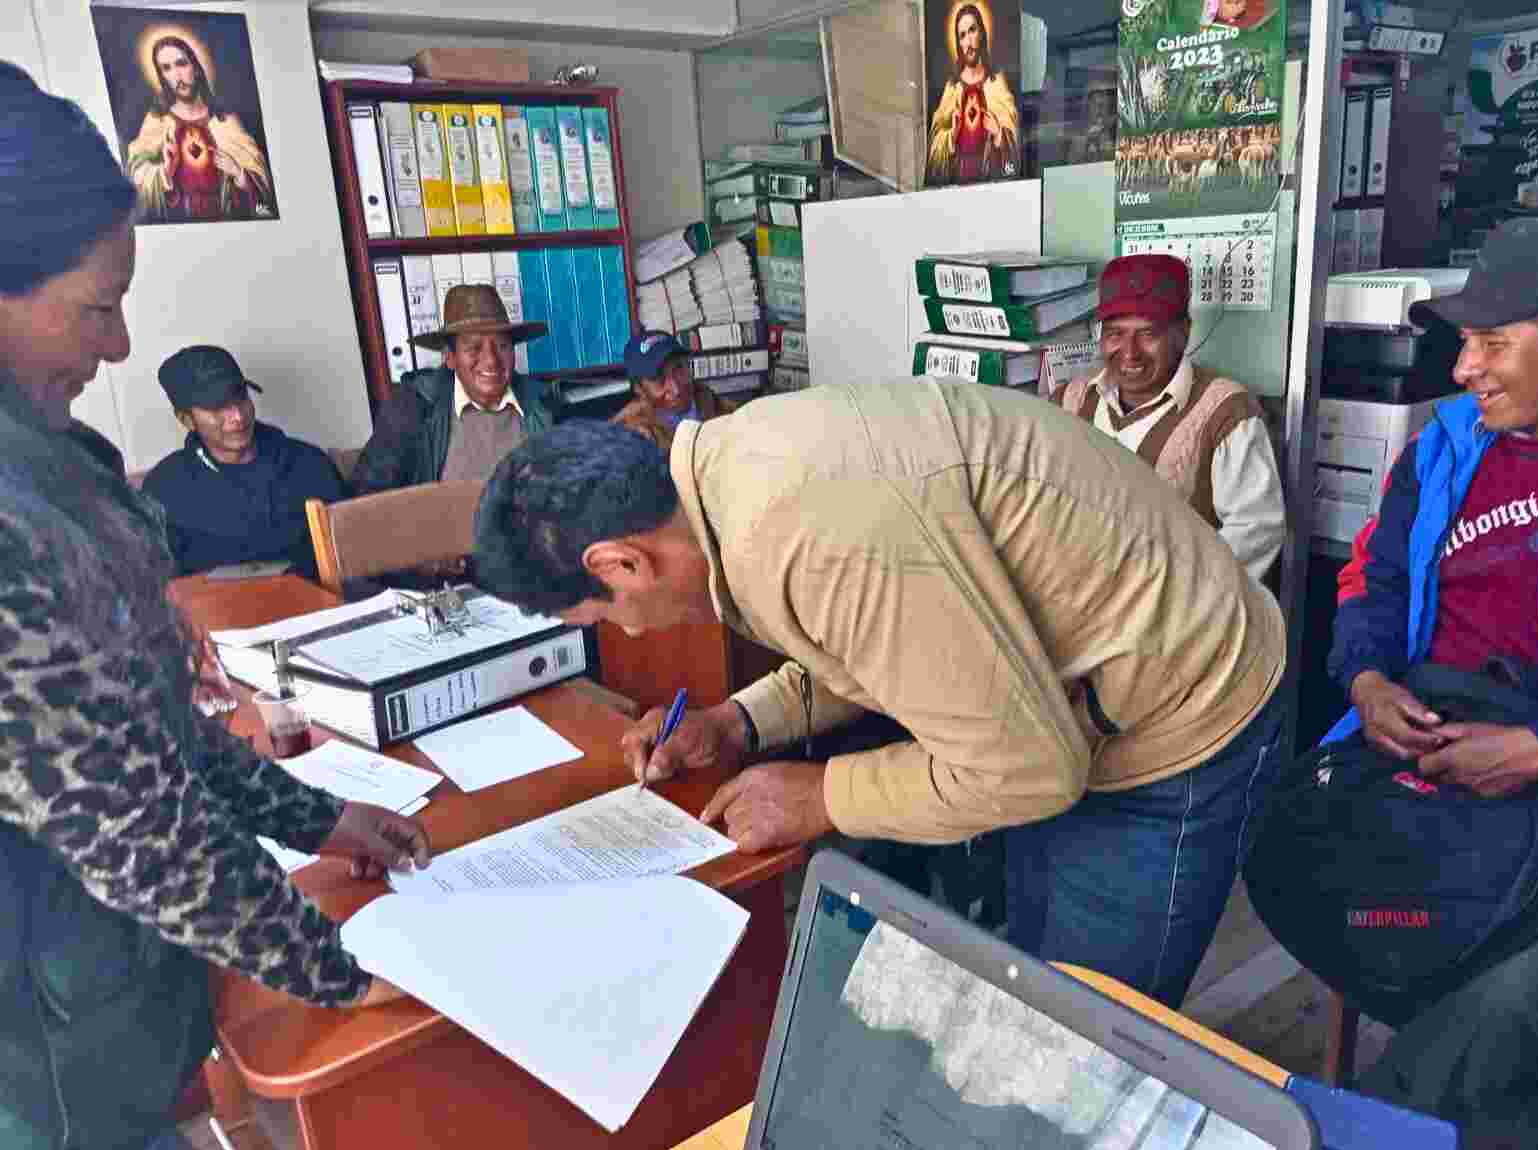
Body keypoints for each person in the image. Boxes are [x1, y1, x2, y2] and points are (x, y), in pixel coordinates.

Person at [473, 380, 1287, 1008]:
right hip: (1075, 696)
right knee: (1044, 987)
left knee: (1096, 1050)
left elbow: (1029, 771)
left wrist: (823, 795)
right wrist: (737, 723)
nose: (632, 634)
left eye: (603, 617)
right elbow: (875, 644)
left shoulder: (809, 532)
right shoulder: (731, 475)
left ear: (617, 563)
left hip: (1181, 715)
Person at [0, 61, 429, 1150]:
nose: (121, 347)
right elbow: (139, 831)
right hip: (44, 1102)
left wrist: (320, 815)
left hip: (117, 1029)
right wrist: (349, 973)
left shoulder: (57, 461)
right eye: (96, 306)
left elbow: (152, 735)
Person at [1252, 217, 1538, 1150]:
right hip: (1427, 751)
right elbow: (1373, 582)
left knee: (1505, 991)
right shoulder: (1444, 448)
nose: (1462, 371)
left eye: (1491, 343)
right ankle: (1499, 1127)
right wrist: (1363, 681)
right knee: (1303, 870)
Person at [1053, 254, 1286, 581]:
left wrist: (1171, 592)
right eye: (1115, 334)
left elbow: (1257, 528)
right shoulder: (1070, 402)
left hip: (1175, 613)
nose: (1130, 352)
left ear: (1184, 332)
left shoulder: (1226, 412)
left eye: (1148, 334)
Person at [140, 345, 346, 578]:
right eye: (217, 407)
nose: (237, 417)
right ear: (186, 419)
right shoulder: (165, 488)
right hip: (217, 612)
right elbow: (157, 586)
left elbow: (352, 555)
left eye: (240, 398)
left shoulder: (310, 465)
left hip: (320, 608)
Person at [351, 284, 554, 495]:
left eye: (502, 346)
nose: (491, 360)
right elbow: (365, 500)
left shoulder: (545, 403)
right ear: (450, 357)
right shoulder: (413, 408)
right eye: (474, 348)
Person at [124, 33, 274, 221]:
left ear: (195, 68)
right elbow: (135, 181)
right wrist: (165, 171)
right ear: (162, 77)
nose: (177, 75)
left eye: (181, 63)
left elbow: (265, 201)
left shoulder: (225, 122)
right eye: (167, 68)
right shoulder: (158, 122)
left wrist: (239, 174)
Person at [926, 3, 1020, 185]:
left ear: (982, 33)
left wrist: (999, 134)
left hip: (991, 185)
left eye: (972, 31)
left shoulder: (996, 83)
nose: (968, 42)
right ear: (958, 43)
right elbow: (934, 149)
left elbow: (1014, 152)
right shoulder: (952, 88)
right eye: (962, 36)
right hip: (957, 185)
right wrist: (950, 137)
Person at [610, 330, 740, 452]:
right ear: (639, 389)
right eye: (658, 379)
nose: (676, 389)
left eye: (679, 369)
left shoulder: (721, 407)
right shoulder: (632, 436)